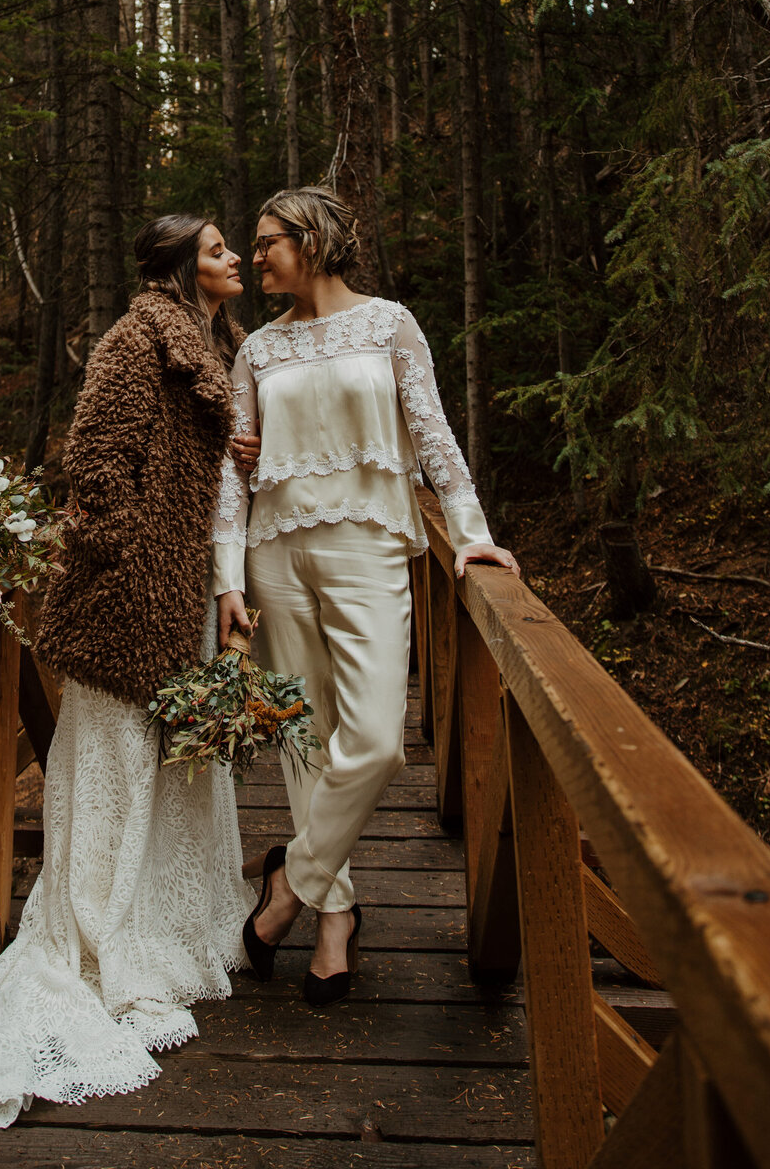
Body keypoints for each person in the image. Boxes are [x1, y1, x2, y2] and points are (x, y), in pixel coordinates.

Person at [0, 216, 256, 1134]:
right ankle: (100, 931)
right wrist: (125, 553)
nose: (233, 258)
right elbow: (93, 462)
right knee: (116, 758)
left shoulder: (211, 342)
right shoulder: (136, 339)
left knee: (174, 758)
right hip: (132, 592)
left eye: (233, 247)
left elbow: (199, 466)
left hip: (185, 587)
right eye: (215, 249)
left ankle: (174, 918)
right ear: (173, 266)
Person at [212, 186, 519, 1005]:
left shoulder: (389, 325)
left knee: (378, 741)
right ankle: (337, 917)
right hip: (274, 554)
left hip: (370, 546)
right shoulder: (258, 352)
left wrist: (471, 528)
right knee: (305, 742)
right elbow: (229, 474)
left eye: (268, 239)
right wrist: (227, 579)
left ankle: (291, 882)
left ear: (309, 240)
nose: (258, 255)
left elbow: (433, 433)